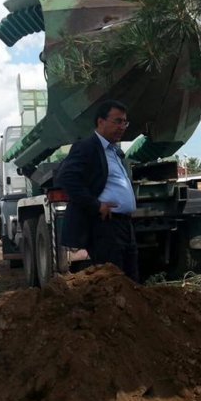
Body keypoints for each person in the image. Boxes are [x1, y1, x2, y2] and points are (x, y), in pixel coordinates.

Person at [55, 99, 139, 282]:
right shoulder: (86, 147)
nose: (122, 126)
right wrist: (96, 205)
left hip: (125, 225)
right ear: (101, 121)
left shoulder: (115, 152)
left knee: (131, 279)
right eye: (117, 121)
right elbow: (67, 179)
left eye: (125, 122)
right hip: (105, 225)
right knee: (113, 279)